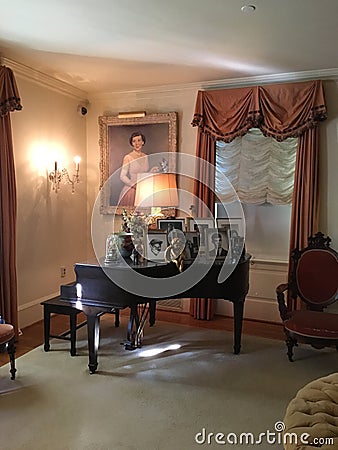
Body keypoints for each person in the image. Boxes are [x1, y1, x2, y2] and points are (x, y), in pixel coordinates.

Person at [118, 131, 156, 206]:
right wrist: (133, 185)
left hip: (143, 190)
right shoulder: (128, 157)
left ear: (143, 142)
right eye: (134, 141)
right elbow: (122, 176)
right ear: (132, 143)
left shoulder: (146, 156)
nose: (136, 143)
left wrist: (152, 171)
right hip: (131, 190)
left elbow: (144, 174)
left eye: (139, 140)